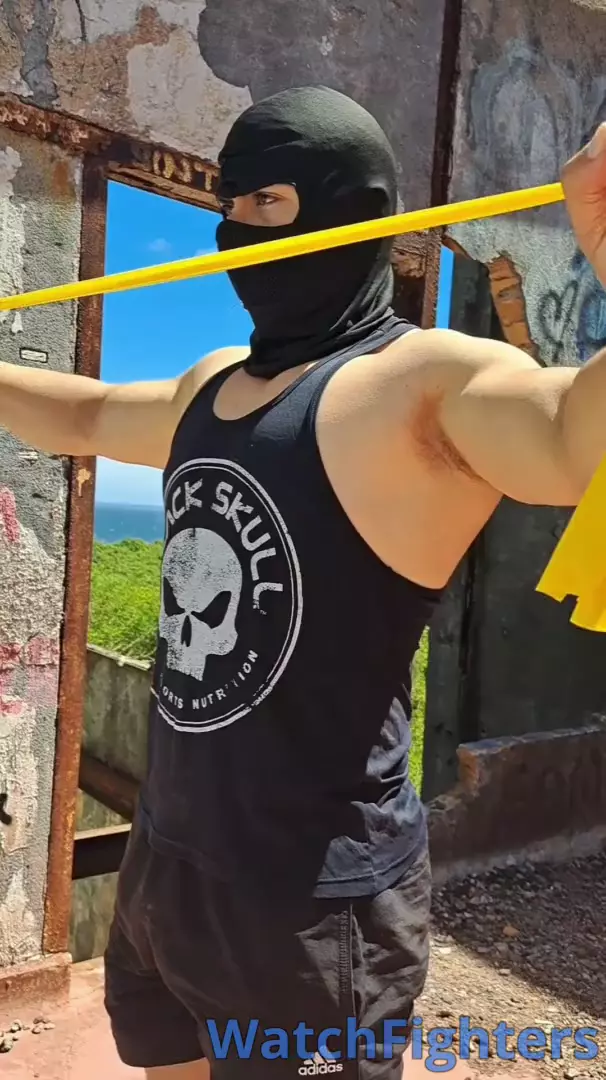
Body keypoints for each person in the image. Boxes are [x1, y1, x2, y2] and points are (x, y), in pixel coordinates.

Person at [0, 85, 604, 1079]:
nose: (235, 228)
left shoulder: (426, 385)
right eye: (229, 201)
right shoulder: (212, 384)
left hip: (313, 905)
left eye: (268, 201)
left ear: (353, 208)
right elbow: (90, 413)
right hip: (166, 863)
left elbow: (572, 438)